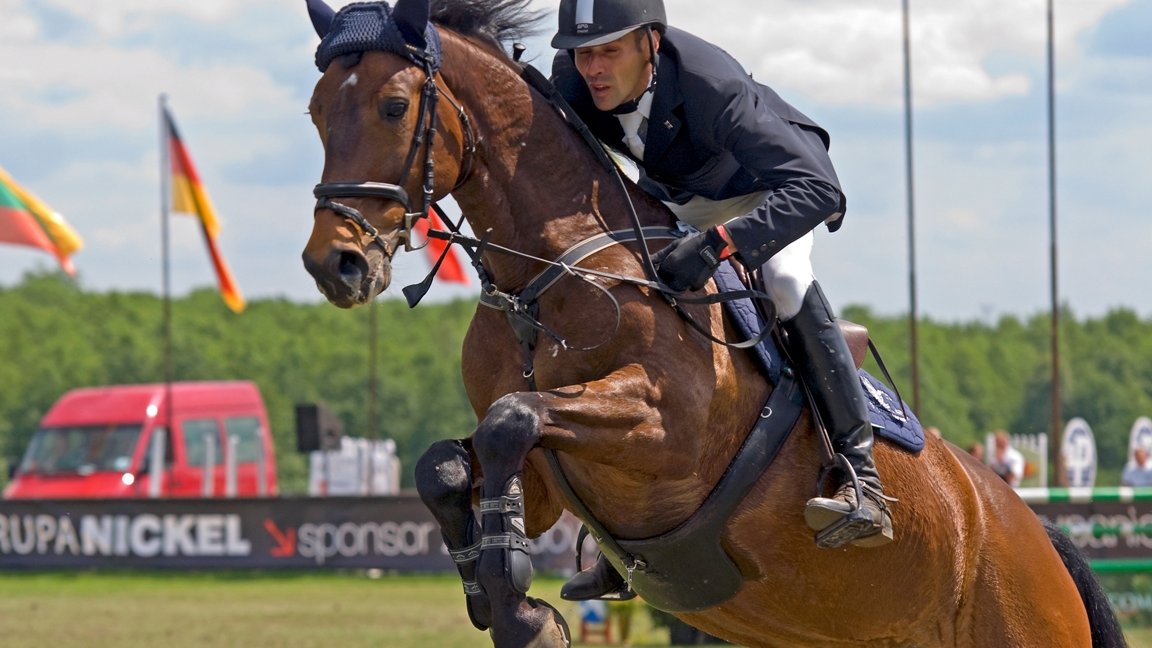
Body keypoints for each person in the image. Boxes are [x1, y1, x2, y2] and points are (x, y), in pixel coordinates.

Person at [550, 0, 893, 600]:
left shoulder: (712, 85)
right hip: (679, 200)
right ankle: (627, 535)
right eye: (583, 53)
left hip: (769, 191)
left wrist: (721, 245)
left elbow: (820, 189)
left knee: (783, 283)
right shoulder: (572, 80)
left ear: (651, 43)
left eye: (609, 51)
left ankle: (859, 475)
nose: (593, 69)